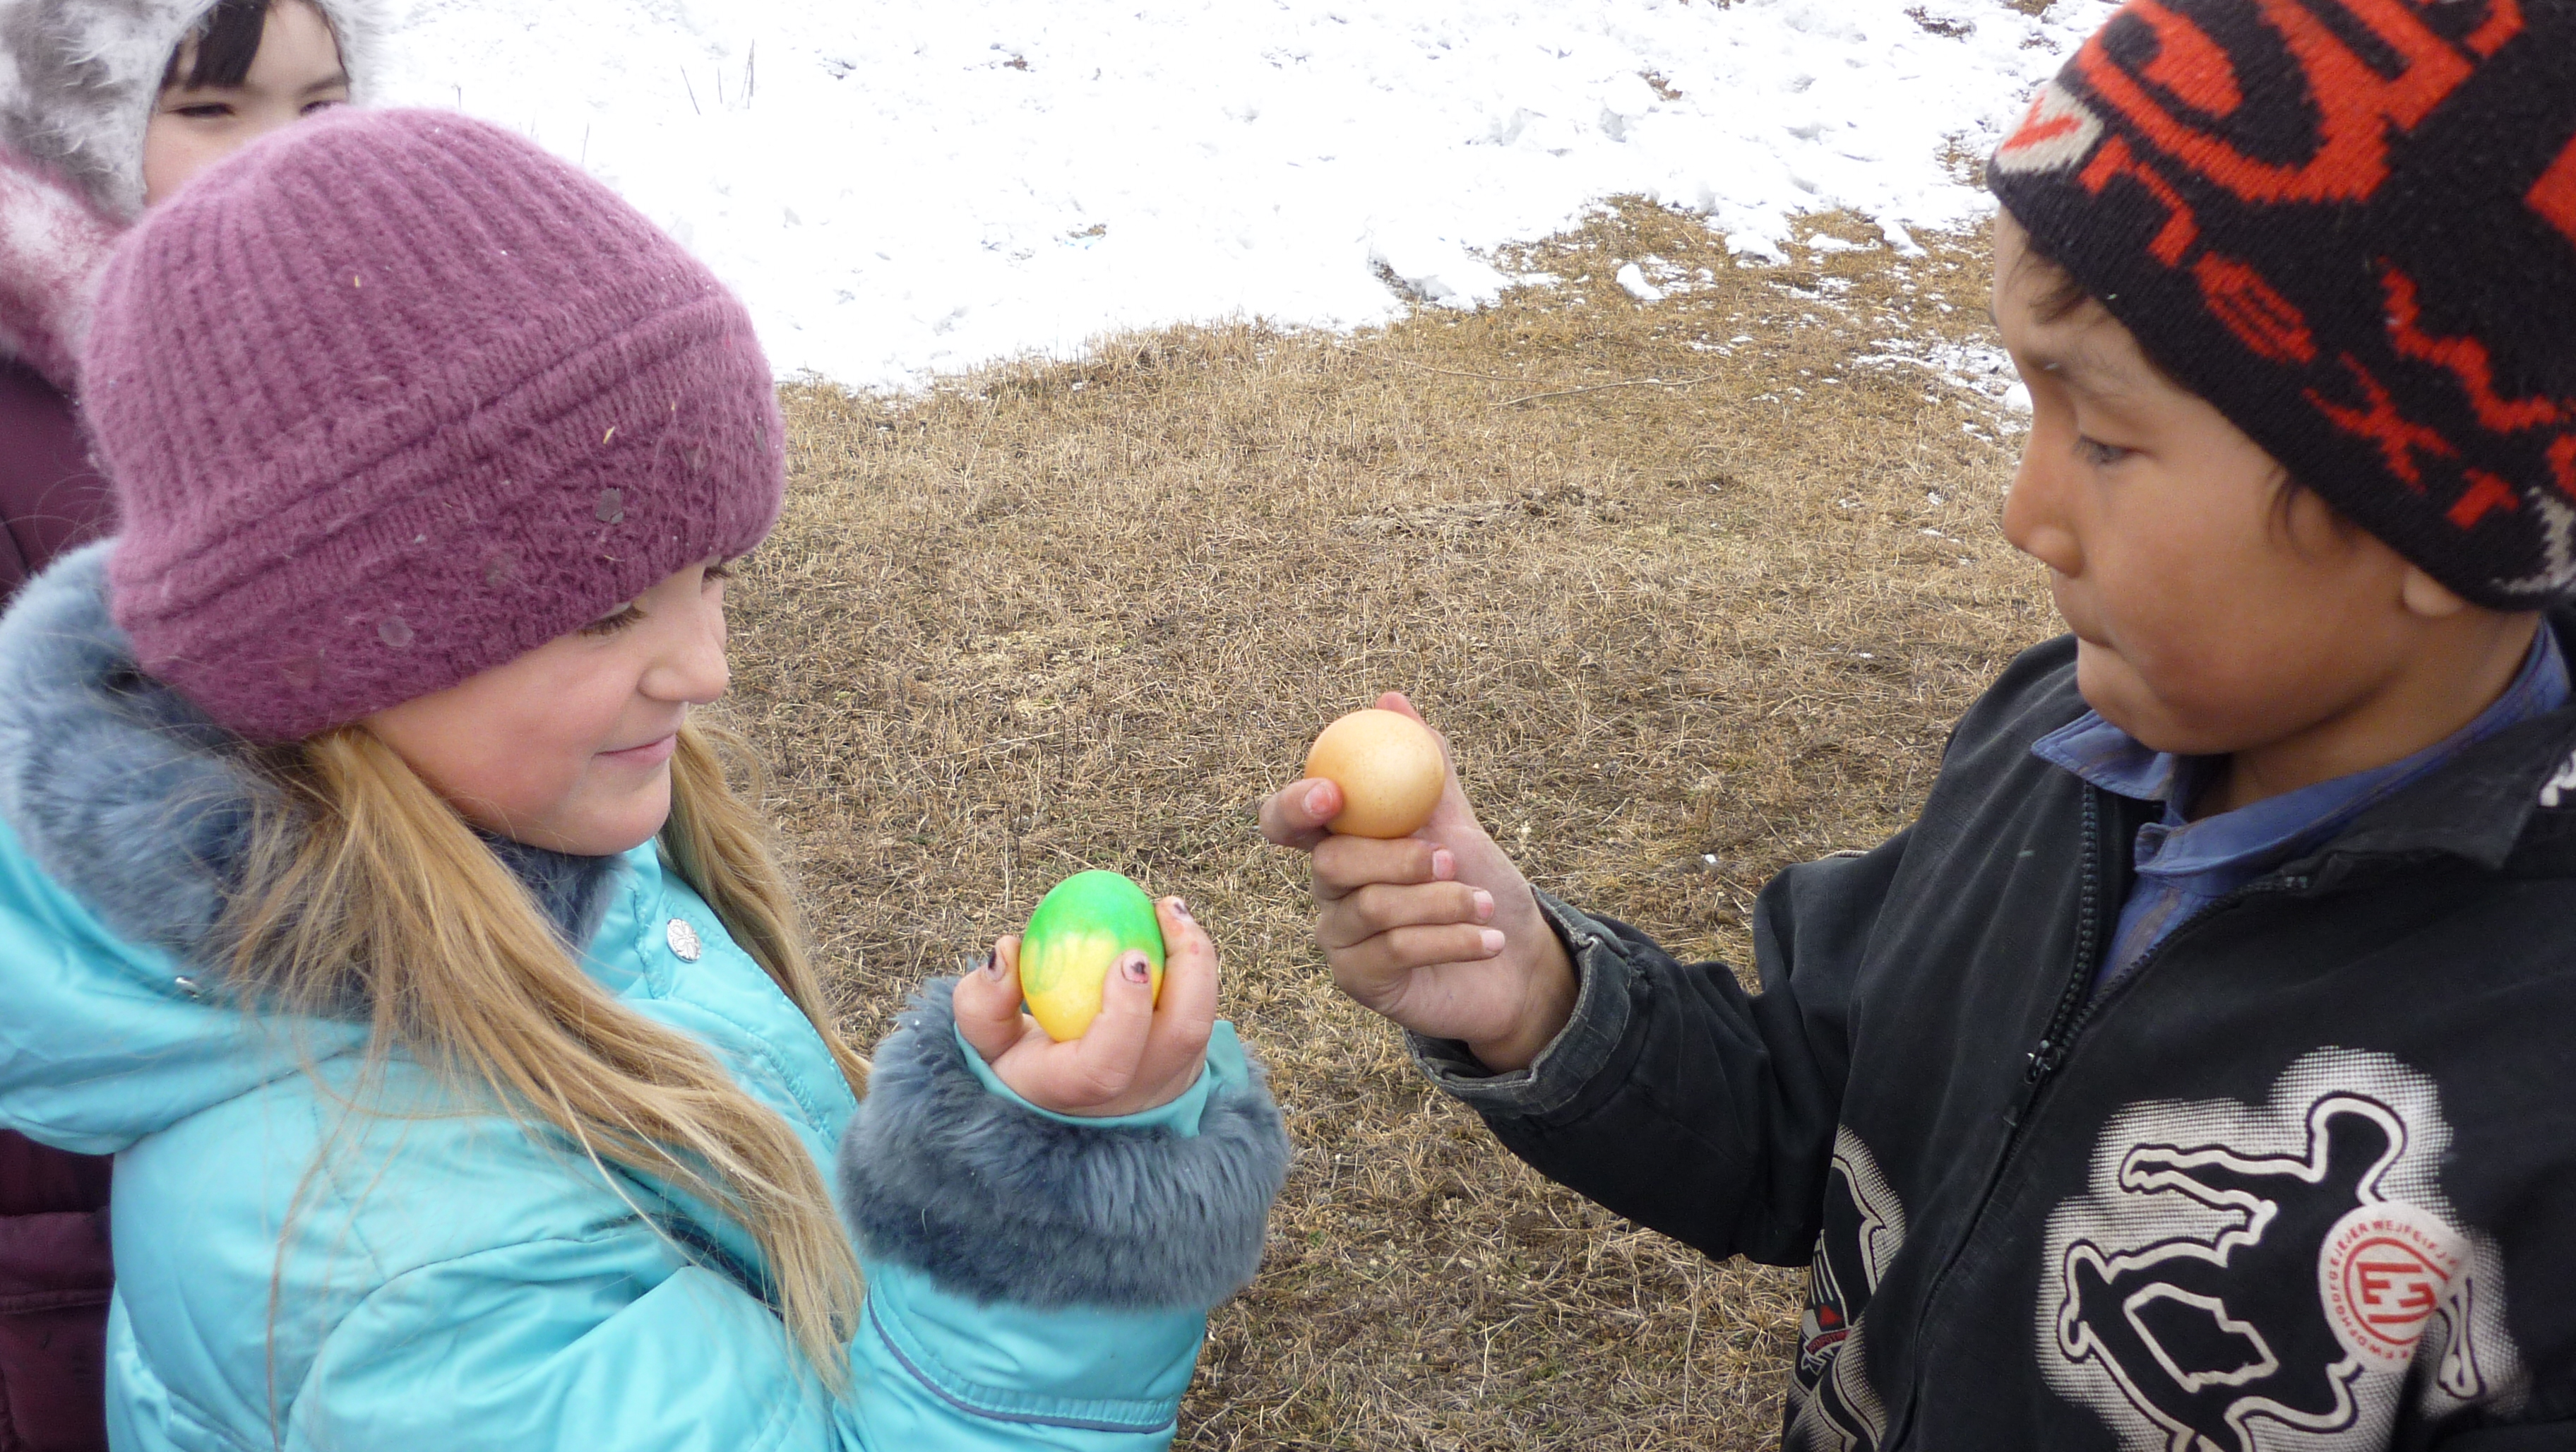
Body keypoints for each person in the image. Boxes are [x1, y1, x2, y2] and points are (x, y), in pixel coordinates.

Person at [1263, 1, 2576, 1446]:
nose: (2025, 513)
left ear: (2440, 522)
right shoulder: (2053, 752)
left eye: (2105, 438)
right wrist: (1539, 997)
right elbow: (1815, 1106)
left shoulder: (2533, 1108)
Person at [0, 107, 1288, 1449]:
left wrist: (978, 1160)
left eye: (713, 575)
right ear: (325, 661)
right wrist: (1051, 1234)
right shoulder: (382, 1245)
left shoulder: (509, 840)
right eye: (608, 612)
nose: (706, 667)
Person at [0, 4, 372, 1446]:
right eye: (209, 109)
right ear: (68, 120)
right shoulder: (36, 427)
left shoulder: (344, 371)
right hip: (77, 1183)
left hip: (336, 1121)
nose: (277, 159)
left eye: (319, 106)